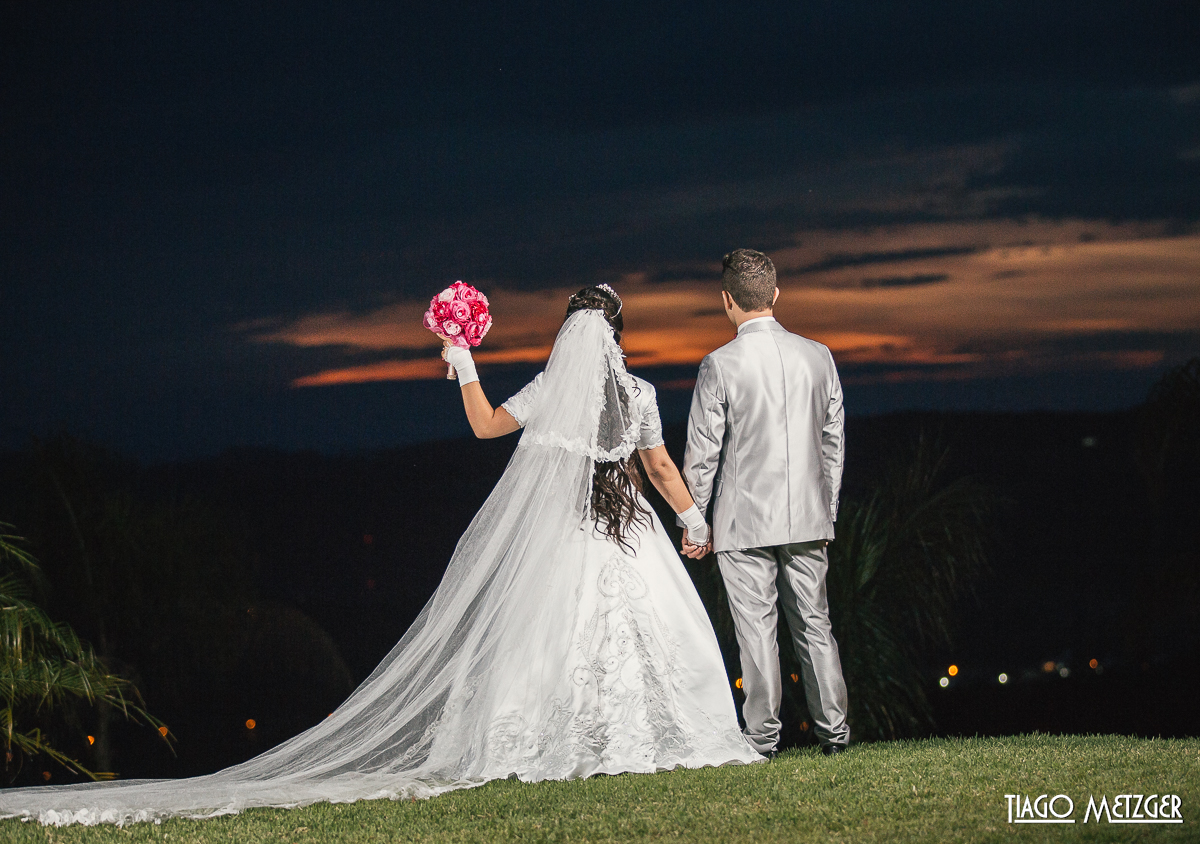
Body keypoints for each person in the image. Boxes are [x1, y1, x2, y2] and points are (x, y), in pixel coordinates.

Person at [0, 285, 760, 827]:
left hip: (563, 539)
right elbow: (660, 468)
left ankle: (553, 740)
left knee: (549, 636)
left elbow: (486, 428)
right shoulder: (640, 394)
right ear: (619, 334)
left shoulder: (547, 390)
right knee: (646, 631)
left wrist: (464, 361)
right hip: (628, 534)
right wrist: (692, 521)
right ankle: (649, 735)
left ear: (569, 334)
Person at [681, 249, 851, 757]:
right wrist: (827, 512)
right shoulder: (819, 356)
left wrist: (695, 523)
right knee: (815, 624)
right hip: (808, 516)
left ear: (726, 301)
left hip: (744, 519)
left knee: (756, 632)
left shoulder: (719, 364)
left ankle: (762, 739)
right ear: (775, 295)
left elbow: (703, 454)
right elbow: (833, 443)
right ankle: (835, 735)